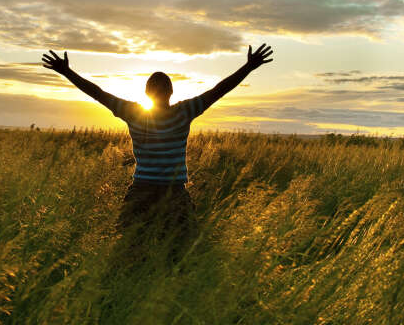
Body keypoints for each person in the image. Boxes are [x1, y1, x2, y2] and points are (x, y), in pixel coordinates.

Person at [41, 44, 274, 242]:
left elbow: (97, 93)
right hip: (175, 195)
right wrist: (248, 67)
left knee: (128, 247)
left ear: (146, 93)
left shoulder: (133, 113)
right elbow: (218, 90)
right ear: (171, 92)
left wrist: (66, 72)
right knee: (182, 251)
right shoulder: (184, 112)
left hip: (141, 191)